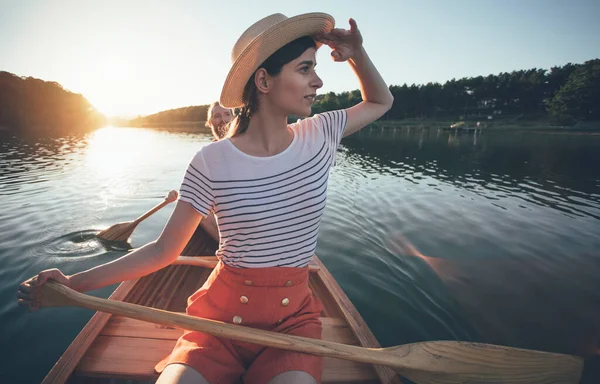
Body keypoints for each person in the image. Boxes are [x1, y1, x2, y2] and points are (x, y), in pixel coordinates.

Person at [18, 12, 393, 384]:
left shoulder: (322, 132)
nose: (318, 80)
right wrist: (73, 282)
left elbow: (380, 101)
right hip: (218, 322)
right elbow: (163, 251)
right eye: (304, 69)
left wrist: (358, 54)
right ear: (263, 80)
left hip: (291, 323)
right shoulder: (211, 161)